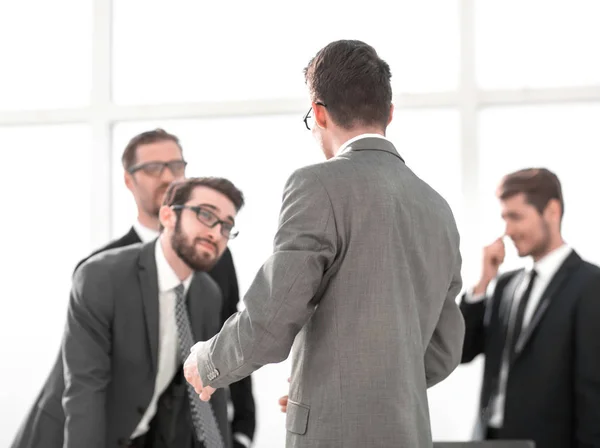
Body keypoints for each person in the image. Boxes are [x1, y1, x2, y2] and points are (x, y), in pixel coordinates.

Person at [184, 39, 465, 448]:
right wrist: (330, 389)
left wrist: (208, 362)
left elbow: (273, 317)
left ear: (318, 112)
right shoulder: (438, 209)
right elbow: (443, 349)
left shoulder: (316, 184)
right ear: (388, 112)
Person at [11, 131, 255, 448]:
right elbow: (87, 386)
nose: (168, 176)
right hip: (73, 433)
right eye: (154, 168)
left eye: (176, 166)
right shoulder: (99, 270)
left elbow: (225, 355)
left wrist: (239, 431)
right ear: (130, 181)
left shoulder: (208, 272)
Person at [459, 168, 600, 447]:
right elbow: (461, 351)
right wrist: (483, 284)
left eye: (516, 217)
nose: (508, 231)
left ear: (551, 210)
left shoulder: (590, 285)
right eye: (504, 218)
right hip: (488, 439)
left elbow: (592, 391)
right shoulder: (505, 285)